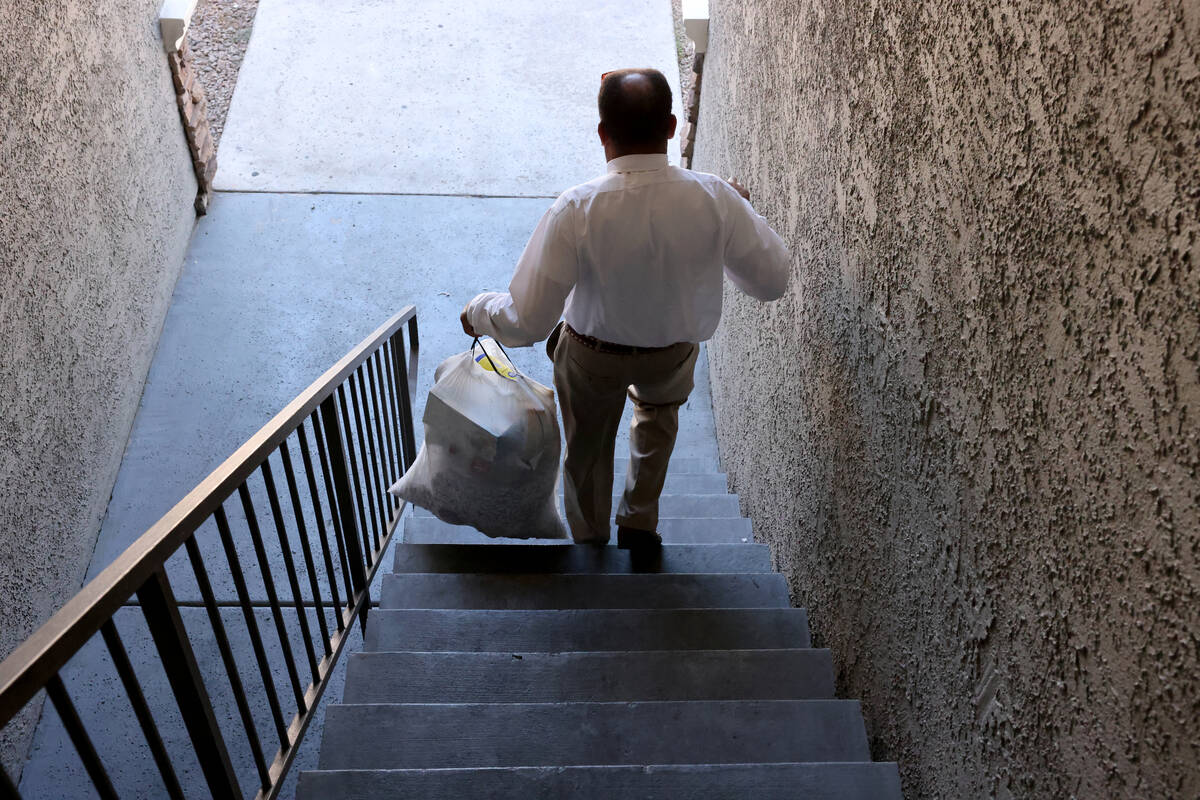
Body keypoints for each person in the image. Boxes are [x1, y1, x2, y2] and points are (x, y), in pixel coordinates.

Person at [462, 67, 789, 550]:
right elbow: (772, 281)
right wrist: (741, 211)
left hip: (592, 355)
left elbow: (528, 321)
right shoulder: (716, 197)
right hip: (672, 352)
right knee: (657, 424)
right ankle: (638, 522)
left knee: (588, 449)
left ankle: (590, 536)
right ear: (672, 127)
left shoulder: (576, 209)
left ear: (602, 134)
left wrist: (478, 310)